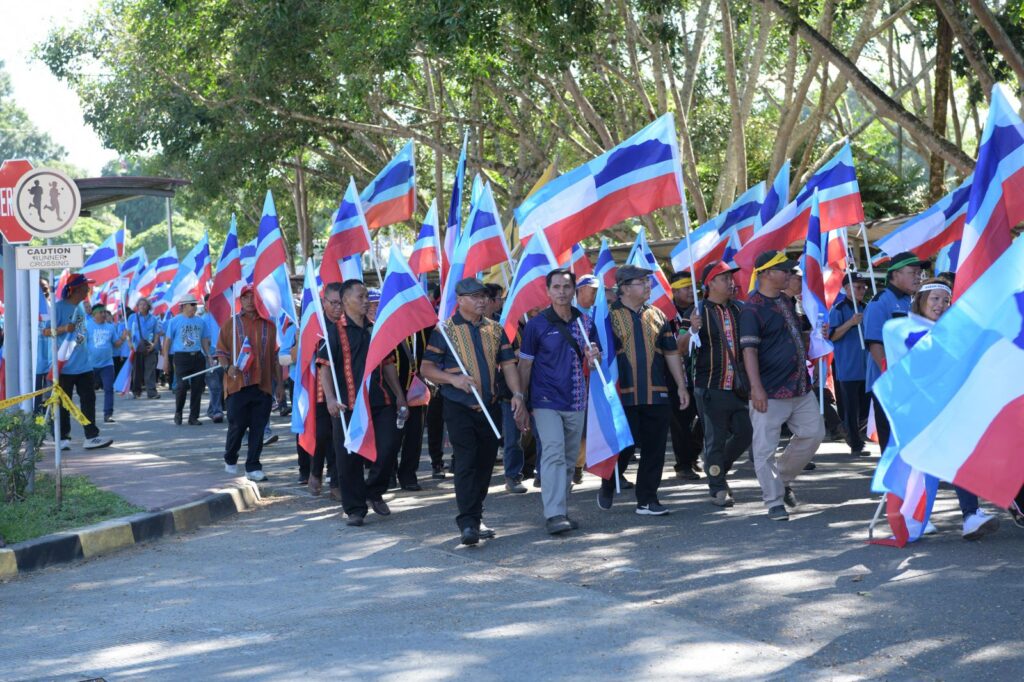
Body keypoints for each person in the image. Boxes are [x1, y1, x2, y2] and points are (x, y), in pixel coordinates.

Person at [421, 277, 527, 545]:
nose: (482, 301)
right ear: (460, 300)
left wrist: (517, 395)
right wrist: (454, 379)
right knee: (467, 462)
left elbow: (509, 364)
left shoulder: (495, 329)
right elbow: (426, 368)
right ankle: (467, 523)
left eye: (484, 296)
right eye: (475, 297)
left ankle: (476, 517)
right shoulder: (443, 330)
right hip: (458, 406)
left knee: (485, 464)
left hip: (490, 406)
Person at [905, 278, 999, 540]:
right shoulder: (910, 331)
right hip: (924, 409)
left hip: (954, 406)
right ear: (921, 301)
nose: (940, 305)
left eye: (945, 300)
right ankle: (918, 517)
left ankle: (970, 515)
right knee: (924, 468)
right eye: (935, 299)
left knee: (960, 458)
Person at [597, 264, 690, 516]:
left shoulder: (658, 315)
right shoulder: (607, 316)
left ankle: (647, 499)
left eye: (648, 281)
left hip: (657, 391)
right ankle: (610, 479)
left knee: (655, 447)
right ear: (624, 288)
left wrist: (681, 385)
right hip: (623, 393)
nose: (648, 285)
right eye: (642, 282)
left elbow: (671, 351)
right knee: (626, 446)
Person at [739, 251, 825, 521]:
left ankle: (783, 479)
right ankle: (774, 500)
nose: (789, 274)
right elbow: (749, 351)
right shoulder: (752, 308)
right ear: (765, 273)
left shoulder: (788, 302)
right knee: (764, 448)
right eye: (783, 270)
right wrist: (756, 388)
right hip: (769, 391)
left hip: (800, 387)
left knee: (814, 434)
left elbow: (794, 337)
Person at [317, 280, 407, 526]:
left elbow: (388, 364)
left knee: (389, 446)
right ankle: (355, 508)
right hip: (348, 405)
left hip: (381, 399)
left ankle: (374, 490)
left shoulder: (376, 329)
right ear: (346, 301)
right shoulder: (333, 333)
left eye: (367, 296)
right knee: (349, 458)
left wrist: (400, 395)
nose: (366, 300)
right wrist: (331, 399)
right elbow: (324, 369)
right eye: (361, 296)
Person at [518, 269, 600, 534]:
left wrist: (593, 357)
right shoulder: (536, 325)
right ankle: (553, 514)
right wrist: (520, 398)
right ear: (548, 291)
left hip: (576, 400)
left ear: (574, 289)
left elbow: (595, 361)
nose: (562, 292)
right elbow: (525, 366)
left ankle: (561, 510)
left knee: (567, 458)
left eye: (566, 287)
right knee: (553, 452)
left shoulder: (585, 322)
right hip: (545, 400)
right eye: (556, 287)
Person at [680, 262, 752, 508]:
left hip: (740, 388)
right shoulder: (695, 312)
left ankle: (718, 469)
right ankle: (718, 487)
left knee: (746, 433)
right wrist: (692, 330)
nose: (731, 282)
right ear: (710, 283)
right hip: (710, 387)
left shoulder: (741, 309)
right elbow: (679, 348)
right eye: (724, 278)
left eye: (731, 278)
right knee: (715, 440)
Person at [215, 285, 278, 481]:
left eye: (253, 297)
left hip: (263, 385)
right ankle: (230, 459)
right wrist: (228, 368)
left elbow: (274, 357)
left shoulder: (269, 326)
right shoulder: (230, 325)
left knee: (259, 427)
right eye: (245, 297)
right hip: (238, 384)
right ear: (240, 301)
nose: (250, 301)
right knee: (238, 425)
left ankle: (253, 466)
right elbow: (221, 353)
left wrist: (280, 387)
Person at [863, 251, 925, 448]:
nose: (918, 277)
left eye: (919, 273)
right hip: (889, 383)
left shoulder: (913, 301)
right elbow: (875, 344)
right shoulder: (880, 302)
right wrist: (890, 378)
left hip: (911, 380)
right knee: (891, 440)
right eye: (913, 272)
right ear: (895, 274)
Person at [53, 274, 113, 450]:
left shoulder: (80, 307)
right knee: (64, 402)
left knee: (89, 400)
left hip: (84, 365)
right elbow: (45, 331)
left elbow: (81, 334)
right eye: (86, 286)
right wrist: (64, 328)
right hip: (65, 365)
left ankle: (91, 436)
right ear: (76, 289)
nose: (89, 289)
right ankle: (63, 438)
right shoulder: (58, 308)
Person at [666, 270, 704, 481]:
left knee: (705, 418)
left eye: (692, 287)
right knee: (680, 422)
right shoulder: (664, 310)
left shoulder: (699, 309)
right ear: (673, 289)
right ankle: (683, 464)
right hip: (673, 374)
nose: (691, 291)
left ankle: (692, 453)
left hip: (700, 372)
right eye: (685, 287)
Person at [828, 274, 870, 456]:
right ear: (846, 288)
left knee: (865, 407)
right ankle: (855, 443)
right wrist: (850, 323)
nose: (861, 290)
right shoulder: (838, 309)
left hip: (866, 366)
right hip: (848, 366)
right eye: (857, 287)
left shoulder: (868, 308)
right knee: (851, 408)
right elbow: (832, 336)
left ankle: (851, 431)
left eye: (863, 287)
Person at [163, 294, 212, 426]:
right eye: (192, 304)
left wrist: (209, 356)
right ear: (184, 306)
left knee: (198, 387)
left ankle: (193, 417)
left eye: (195, 305)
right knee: (182, 386)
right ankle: (178, 412)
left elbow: (204, 340)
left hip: (197, 357)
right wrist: (165, 360)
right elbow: (167, 342)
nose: (195, 307)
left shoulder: (201, 321)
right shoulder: (174, 321)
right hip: (181, 357)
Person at [86, 303, 127, 423]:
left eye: (105, 312)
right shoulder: (87, 326)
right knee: (89, 392)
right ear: (94, 314)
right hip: (90, 365)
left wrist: (123, 338)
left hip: (107, 364)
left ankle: (108, 414)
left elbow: (116, 343)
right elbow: (80, 344)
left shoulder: (110, 327)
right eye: (101, 312)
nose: (104, 314)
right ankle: (89, 415)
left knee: (108, 389)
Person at [128, 297, 161, 399]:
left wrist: (154, 345)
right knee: (137, 371)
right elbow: (128, 332)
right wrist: (130, 344)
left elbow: (157, 333)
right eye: (140, 304)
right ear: (137, 306)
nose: (142, 306)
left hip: (149, 348)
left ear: (148, 307)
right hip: (137, 348)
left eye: (144, 304)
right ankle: (136, 391)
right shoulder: (132, 317)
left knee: (150, 370)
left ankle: (151, 392)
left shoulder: (154, 319)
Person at [202, 297, 225, 423]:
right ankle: (217, 412)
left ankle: (212, 410)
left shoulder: (224, 318)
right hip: (208, 357)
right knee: (215, 386)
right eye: (208, 303)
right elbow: (202, 341)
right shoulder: (202, 320)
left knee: (220, 386)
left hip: (223, 356)